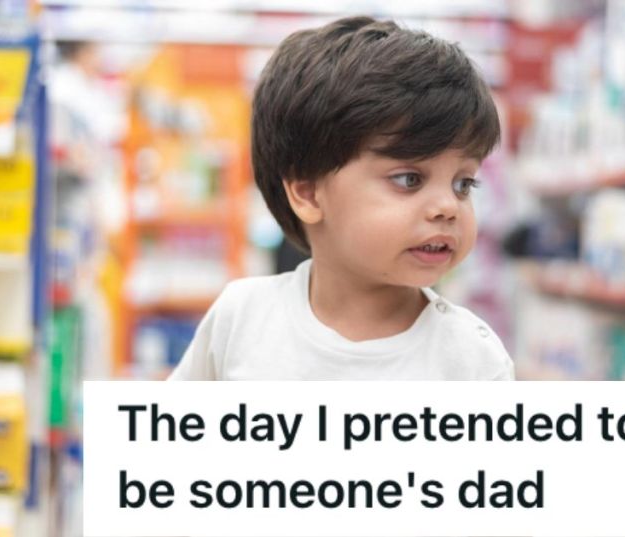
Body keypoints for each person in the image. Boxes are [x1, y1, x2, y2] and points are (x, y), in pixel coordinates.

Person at [168, 15, 514, 381]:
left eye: (463, 185)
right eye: (409, 179)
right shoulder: (241, 319)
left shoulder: (473, 360)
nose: (448, 207)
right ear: (308, 194)